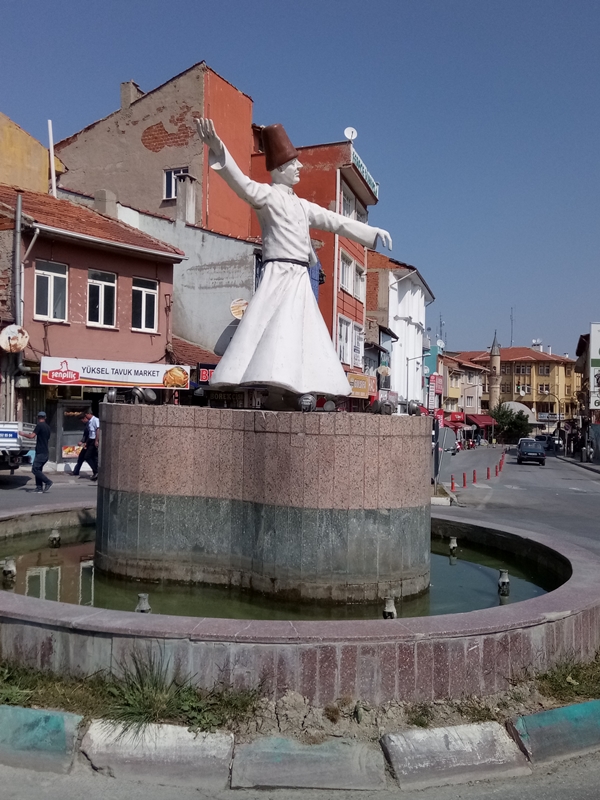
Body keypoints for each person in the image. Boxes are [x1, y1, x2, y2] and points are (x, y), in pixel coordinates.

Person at [194, 118, 392, 398]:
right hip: (278, 272)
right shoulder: (266, 196)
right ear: (280, 169)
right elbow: (240, 183)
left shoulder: (302, 205)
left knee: (302, 334)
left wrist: (370, 232)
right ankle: (268, 385)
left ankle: (297, 388)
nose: (299, 167)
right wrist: (218, 148)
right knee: (270, 329)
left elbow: (335, 221)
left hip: (299, 276)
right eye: (293, 163)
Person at [20, 411, 52, 493]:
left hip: (40, 452)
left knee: (35, 469)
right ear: (45, 418)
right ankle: (39, 487)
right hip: (45, 452)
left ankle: (48, 482)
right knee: (38, 470)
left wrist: (23, 434)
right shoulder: (48, 427)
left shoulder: (39, 425)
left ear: (38, 418)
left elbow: (32, 436)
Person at [80, 411, 100, 481]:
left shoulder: (95, 420)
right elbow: (90, 433)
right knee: (93, 457)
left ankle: (96, 471)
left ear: (89, 414)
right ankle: (95, 472)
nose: (86, 417)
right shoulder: (89, 422)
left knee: (87, 456)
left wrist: (96, 440)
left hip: (94, 440)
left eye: (86, 415)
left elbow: (98, 430)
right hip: (90, 440)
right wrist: (86, 442)